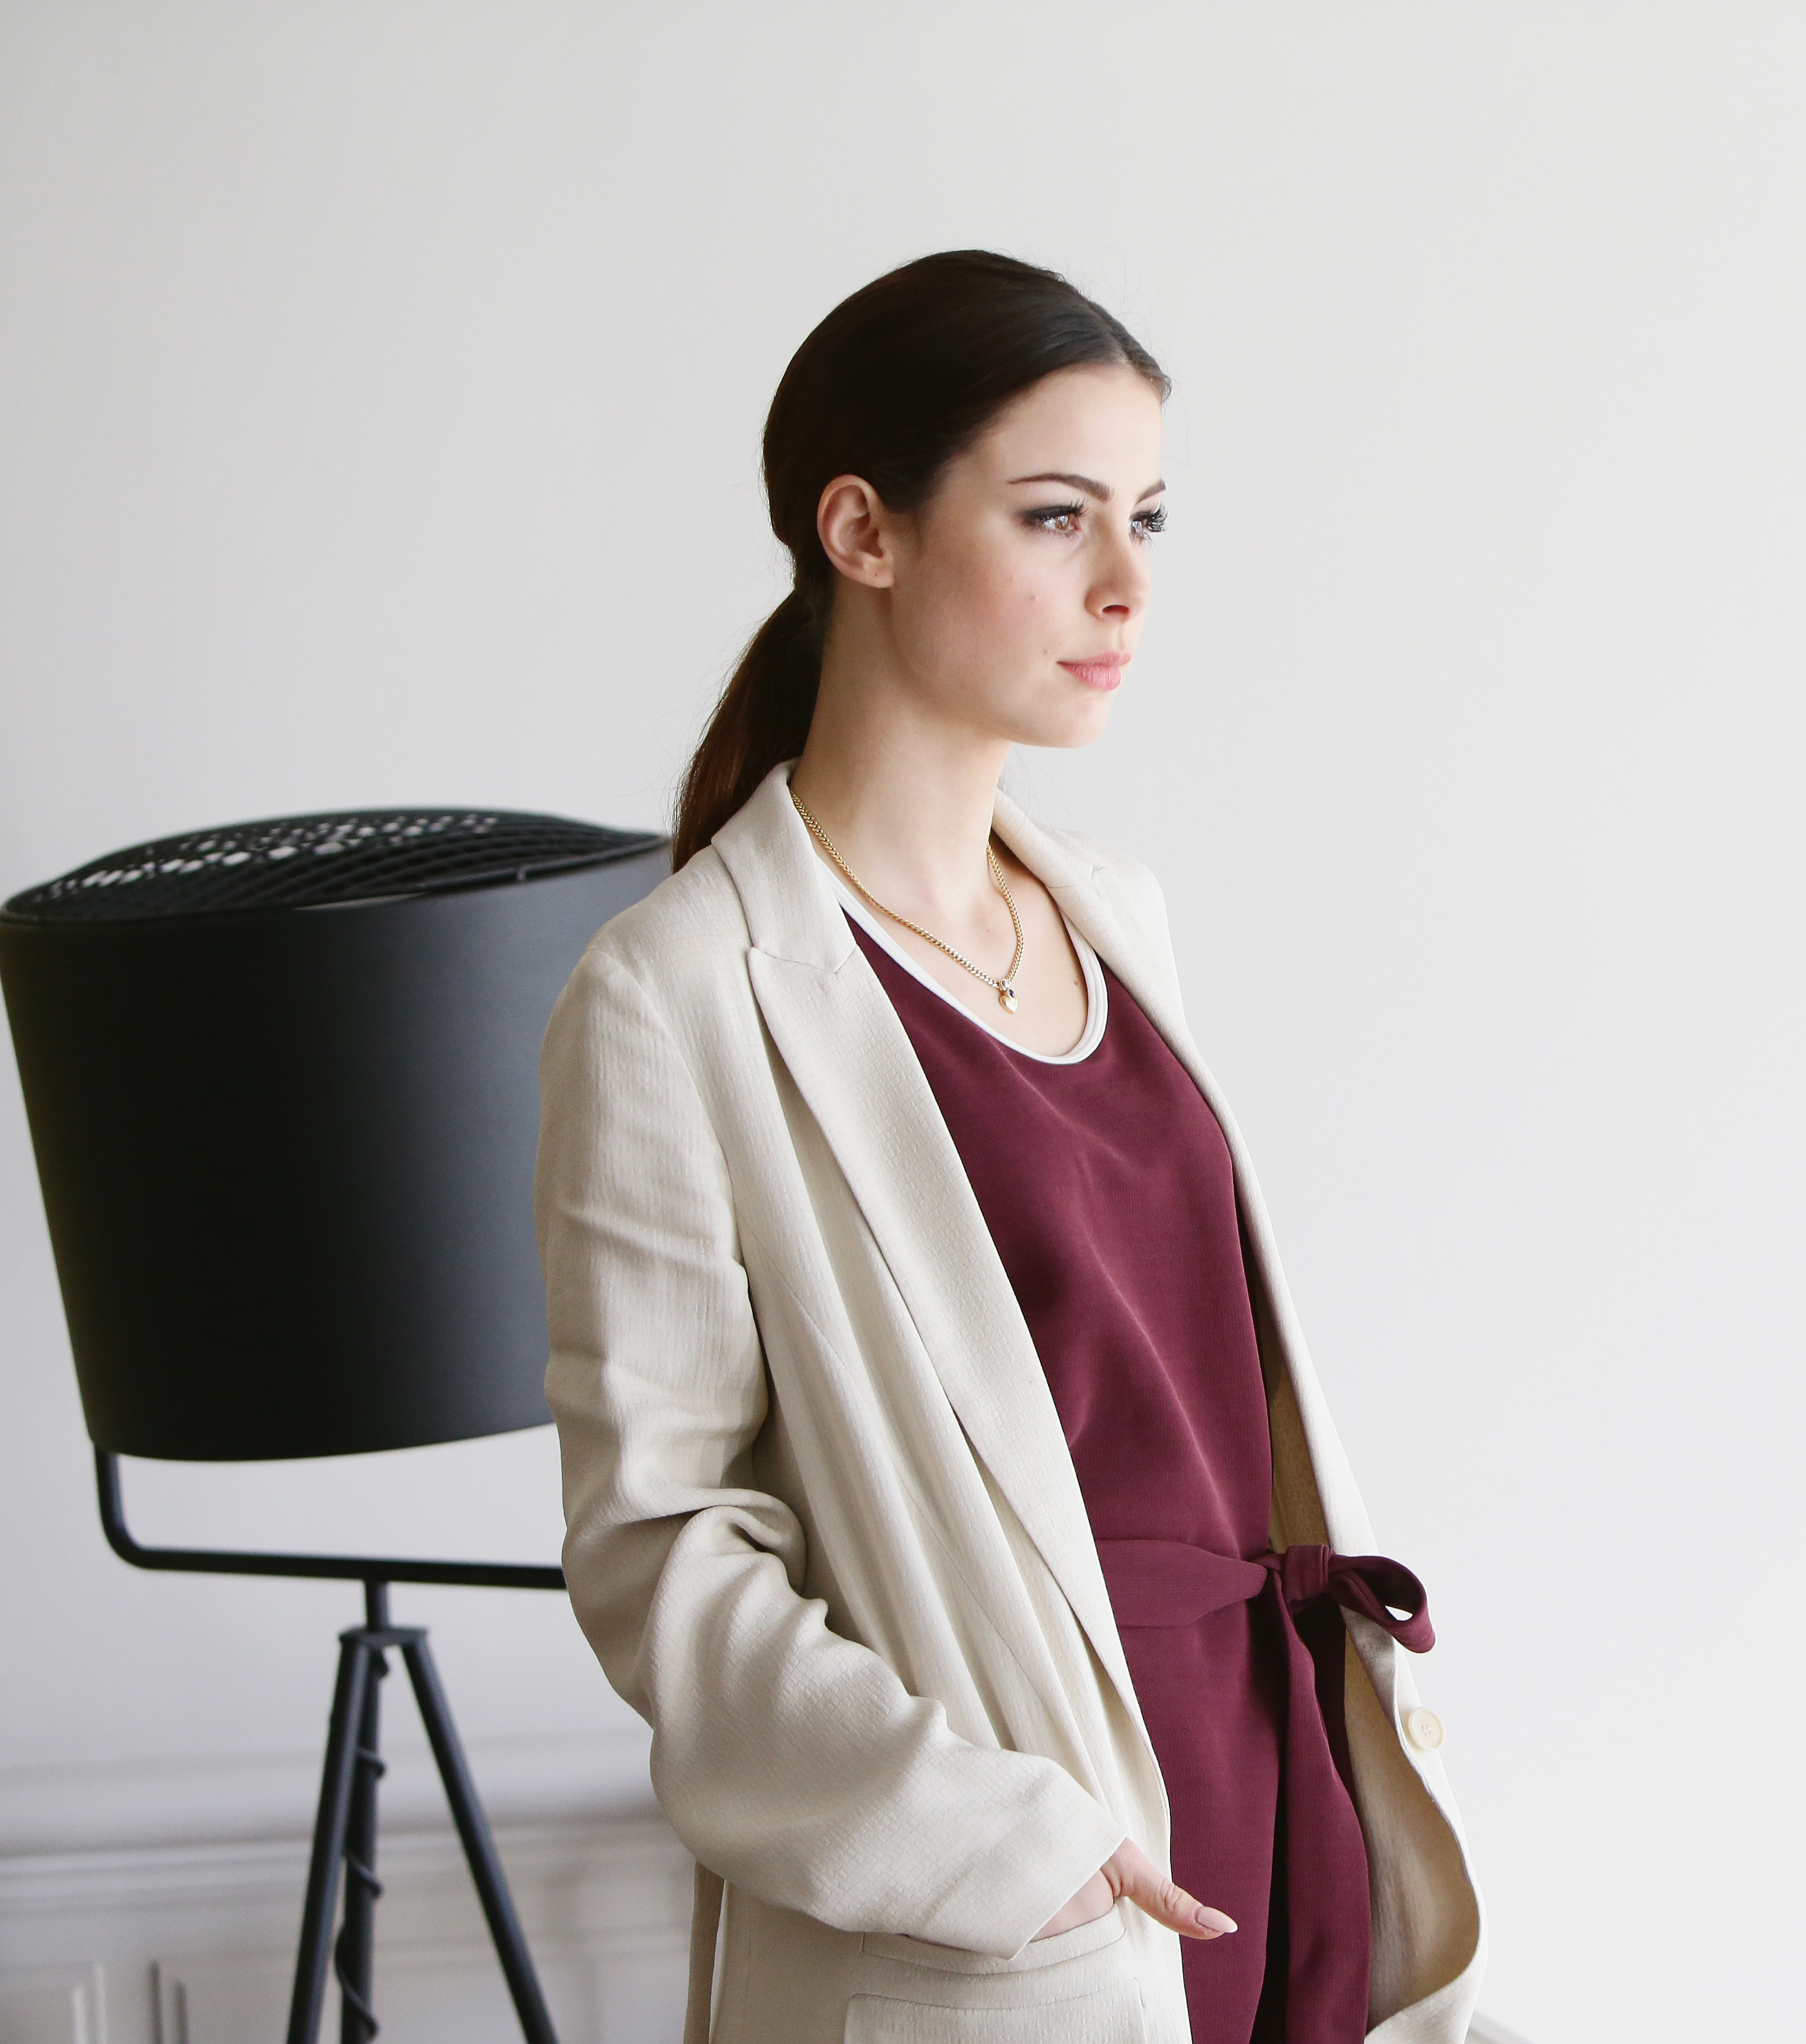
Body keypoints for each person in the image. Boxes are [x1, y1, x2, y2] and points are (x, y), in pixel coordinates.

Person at [534, 251, 1482, 2044]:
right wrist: (990, 1843)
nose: (1127, 584)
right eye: (1057, 517)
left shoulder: (1115, 910)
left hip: (1275, 1768)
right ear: (862, 533)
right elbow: (659, 1544)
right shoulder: (680, 995)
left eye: (1147, 518)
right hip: (1037, 1838)